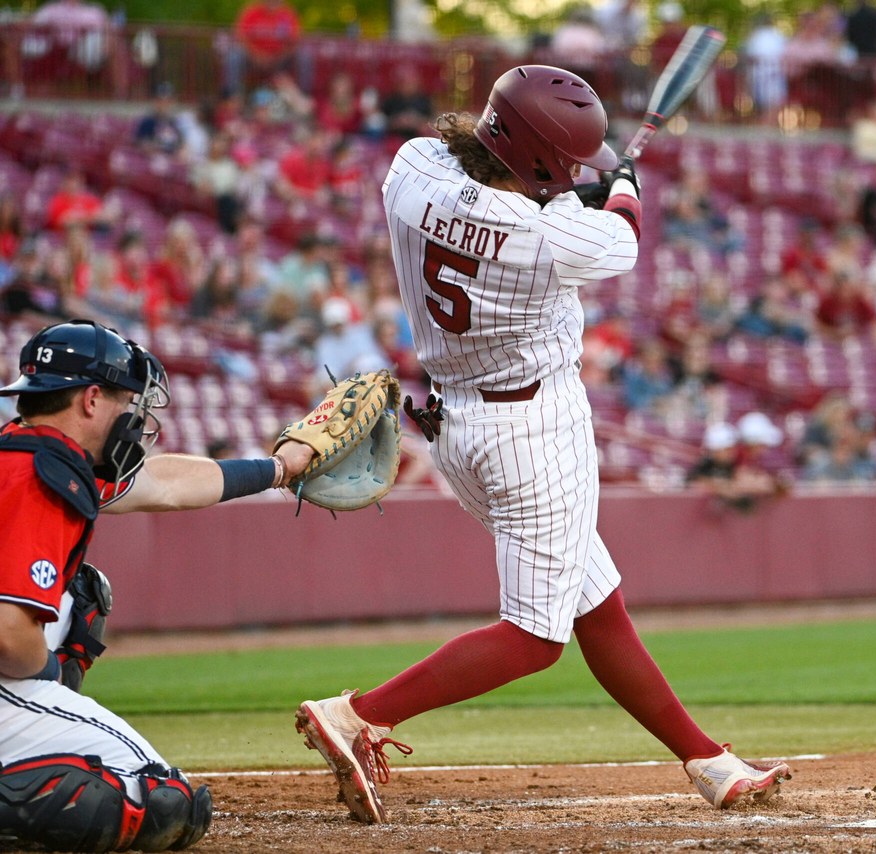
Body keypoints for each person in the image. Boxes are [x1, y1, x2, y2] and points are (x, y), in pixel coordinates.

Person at [295, 65, 790, 825]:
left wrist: (573, 189)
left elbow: (500, 200)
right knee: (534, 639)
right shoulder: (554, 236)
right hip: (533, 431)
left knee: (598, 605)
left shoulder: (412, 167)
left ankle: (708, 763)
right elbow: (620, 235)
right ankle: (358, 714)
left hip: (457, 426)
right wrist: (621, 187)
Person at [0, 320, 315, 851]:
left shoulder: (25, 450)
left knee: (80, 594)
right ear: (92, 400)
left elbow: (164, 483)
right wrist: (48, 675)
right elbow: (9, 633)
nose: (133, 415)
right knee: (163, 800)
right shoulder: (43, 476)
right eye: (126, 400)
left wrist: (280, 468)